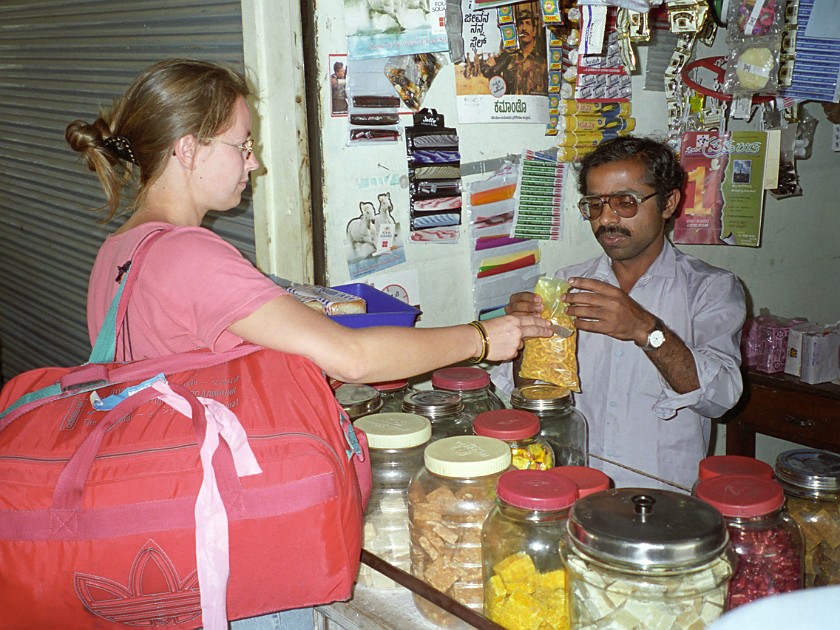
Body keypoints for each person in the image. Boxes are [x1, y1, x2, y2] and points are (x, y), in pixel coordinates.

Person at [65, 59, 551, 628]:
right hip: (228, 550)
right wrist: (480, 337)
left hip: (163, 531)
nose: (256, 162)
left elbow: (195, 366)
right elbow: (354, 355)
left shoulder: (119, 252)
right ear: (189, 148)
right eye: (242, 145)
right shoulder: (191, 255)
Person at [493, 135, 746, 491]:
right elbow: (534, 395)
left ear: (668, 202)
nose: (606, 218)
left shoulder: (710, 288)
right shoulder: (565, 285)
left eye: (625, 202)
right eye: (595, 205)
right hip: (569, 488)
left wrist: (645, 329)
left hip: (660, 498)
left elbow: (720, 399)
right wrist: (524, 341)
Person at [481, 5, 548, 96]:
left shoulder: (543, 62)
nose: (524, 28)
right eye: (521, 24)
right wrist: (493, 72)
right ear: (516, 30)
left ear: (534, 31)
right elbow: (499, 91)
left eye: (528, 23)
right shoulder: (508, 58)